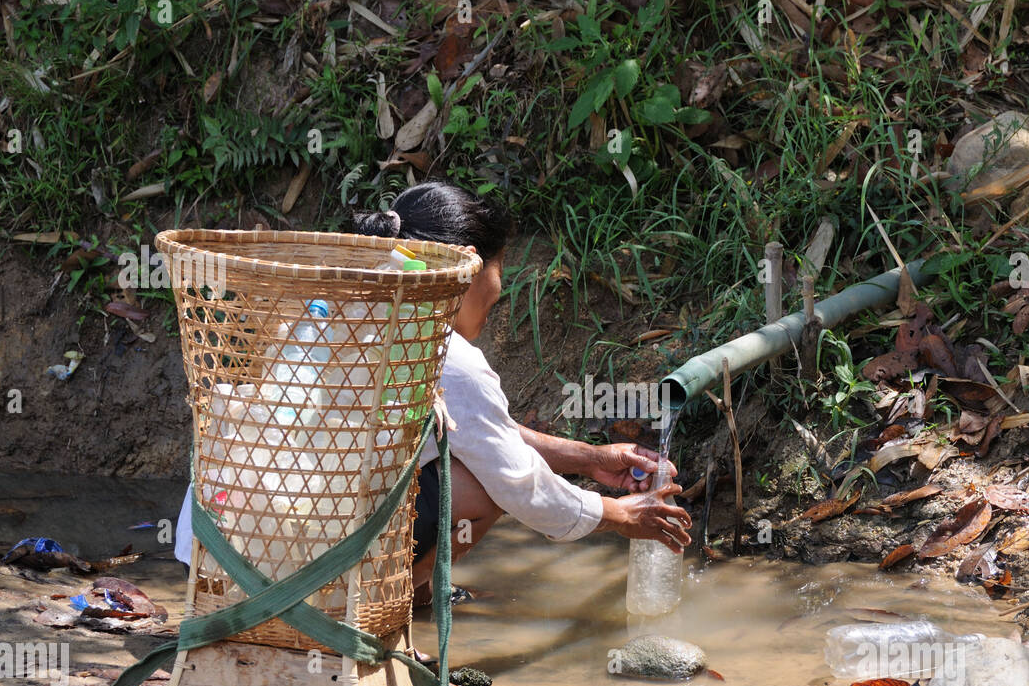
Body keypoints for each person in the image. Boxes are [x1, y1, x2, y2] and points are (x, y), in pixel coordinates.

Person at [175, 181, 691, 605]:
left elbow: (480, 431)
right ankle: (375, 609)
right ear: (467, 263)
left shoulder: (338, 302)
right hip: (289, 570)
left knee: (445, 460)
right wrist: (623, 514)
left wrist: (589, 458)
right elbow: (516, 482)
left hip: (219, 549)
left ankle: (409, 596)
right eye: (498, 269)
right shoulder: (446, 353)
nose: (499, 288)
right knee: (476, 487)